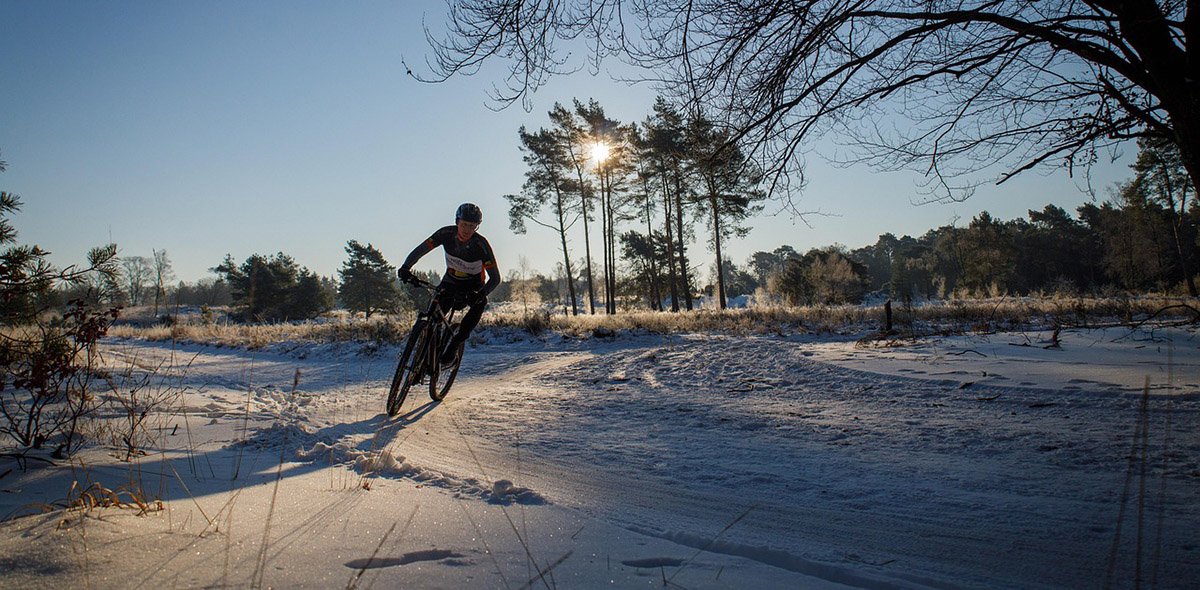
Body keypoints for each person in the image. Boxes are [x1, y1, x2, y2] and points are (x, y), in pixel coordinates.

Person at [398, 203, 501, 364]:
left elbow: (495, 278)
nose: (467, 230)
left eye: (472, 226)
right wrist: (406, 267)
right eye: (464, 224)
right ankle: (429, 346)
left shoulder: (481, 245)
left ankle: (456, 342)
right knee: (433, 315)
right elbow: (421, 249)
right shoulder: (445, 233)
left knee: (481, 302)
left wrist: (480, 294)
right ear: (457, 222)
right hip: (451, 281)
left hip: (473, 286)